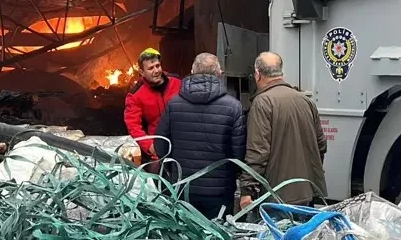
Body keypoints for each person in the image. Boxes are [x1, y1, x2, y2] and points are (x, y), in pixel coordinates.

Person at [155, 53, 246, 219]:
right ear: (219, 73)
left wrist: (172, 171)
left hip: (182, 188)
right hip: (219, 190)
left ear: (192, 72)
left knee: (184, 231)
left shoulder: (173, 104)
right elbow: (239, 152)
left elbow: (161, 146)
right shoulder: (234, 107)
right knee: (216, 230)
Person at [239, 51, 327, 210]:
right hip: (307, 191)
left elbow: (258, 152)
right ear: (281, 72)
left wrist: (247, 190)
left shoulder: (262, 102)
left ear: (258, 74)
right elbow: (321, 145)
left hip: (276, 195)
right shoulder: (305, 100)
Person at [124, 47, 181, 164]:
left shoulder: (177, 82)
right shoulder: (135, 95)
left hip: (183, 144)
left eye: (157, 66)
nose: (156, 71)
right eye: (151, 68)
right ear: (142, 72)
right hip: (158, 151)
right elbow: (133, 125)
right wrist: (149, 146)